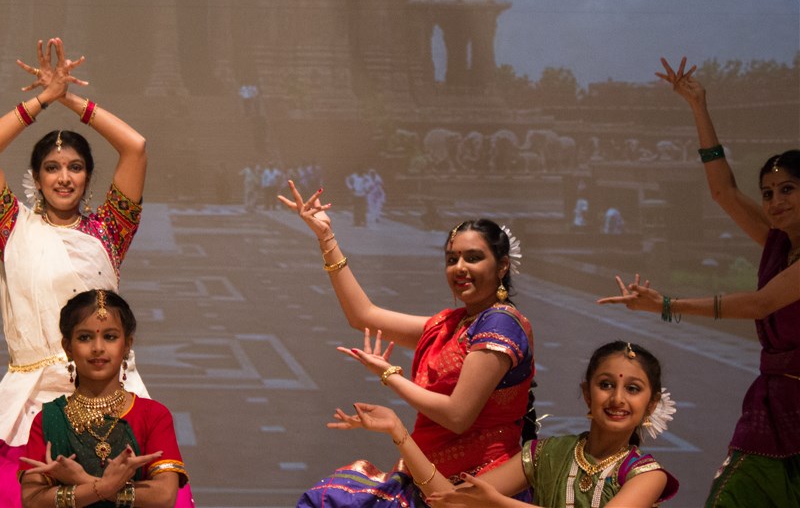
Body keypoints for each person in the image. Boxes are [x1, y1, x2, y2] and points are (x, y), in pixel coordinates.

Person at [0, 37, 162, 507]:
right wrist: (42, 101)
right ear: (36, 177)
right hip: (30, 401)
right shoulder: (12, 229)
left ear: (87, 177)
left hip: (109, 394)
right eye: (52, 167)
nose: (64, 177)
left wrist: (70, 100)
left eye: (75, 167)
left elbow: (135, 147)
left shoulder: (109, 230)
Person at [596, 56, 800, 508]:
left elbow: (760, 304)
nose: (775, 201)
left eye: (788, 189)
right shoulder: (778, 243)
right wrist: (698, 107)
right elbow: (723, 192)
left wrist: (667, 305)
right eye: (768, 193)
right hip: (773, 406)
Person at [279, 182, 535, 506]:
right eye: (452, 259)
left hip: (475, 489)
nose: (460, 268)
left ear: (502, 266)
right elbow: (363, 316)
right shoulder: (451, 324)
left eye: (473, 258)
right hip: (427, 479)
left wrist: (390, 376)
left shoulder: (500, 323)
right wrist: (326, 238)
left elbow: (457, 416)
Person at [324, 341, 678, 508]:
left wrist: (497, 504)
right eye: (606, 385)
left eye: (633, 389)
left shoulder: (647, 476)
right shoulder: (547, 453)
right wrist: (398, 432)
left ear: (652, 403)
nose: (617, 398)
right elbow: (450, 501)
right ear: (587, 393)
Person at [19, 290, 187, 508]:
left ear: (127, 345)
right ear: (68, 347)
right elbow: (32, 500)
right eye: (84, 337)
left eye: (110, 337)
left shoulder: (153, 415)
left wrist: (83, 481)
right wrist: (105, 487)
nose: (98, 348)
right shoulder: (49, 419)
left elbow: (164, 496)